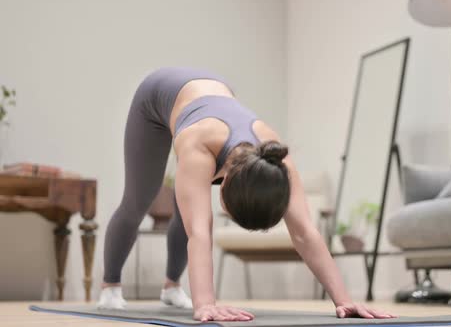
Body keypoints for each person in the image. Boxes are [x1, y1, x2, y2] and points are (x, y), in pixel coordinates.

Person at [98, 67, 395, 322]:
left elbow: (305, 232)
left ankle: (171, 287)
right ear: (223, 185)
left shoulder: (276, 160)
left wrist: (343, 300)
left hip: (211, 95)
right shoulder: (198, 146)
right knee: (140, 199)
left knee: (185, 206)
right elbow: (200, 233)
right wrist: (206, 304)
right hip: (155, 98)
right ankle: (110, 286)